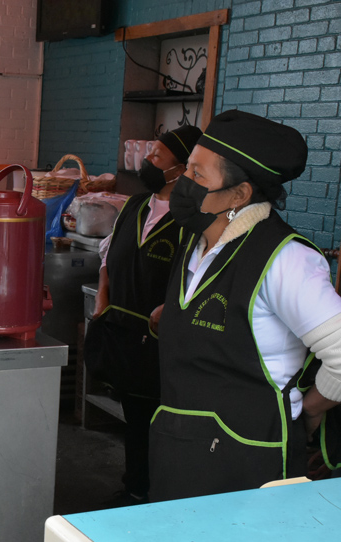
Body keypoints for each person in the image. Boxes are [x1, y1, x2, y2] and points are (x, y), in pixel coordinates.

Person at [150, 110, 341, 502]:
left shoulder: (285, 260)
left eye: (198, 174)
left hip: (249, 461)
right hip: (179, 451)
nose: (185, 182)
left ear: (239, 195)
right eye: (187, 169)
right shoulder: (196, 241)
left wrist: (311, 407)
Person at [87, 124, 202, 505]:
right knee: (135, 418)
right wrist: (103, 296)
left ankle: (154, 497)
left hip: (159, 343)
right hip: (123, 333)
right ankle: (135, 488)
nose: (147, 161)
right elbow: (108, 253)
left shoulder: (191, 219)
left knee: (159, 423)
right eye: (149, 153)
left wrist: (171, 309)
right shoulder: (135, 205)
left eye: (157, 156)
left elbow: (199, 277)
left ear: (181, 169)